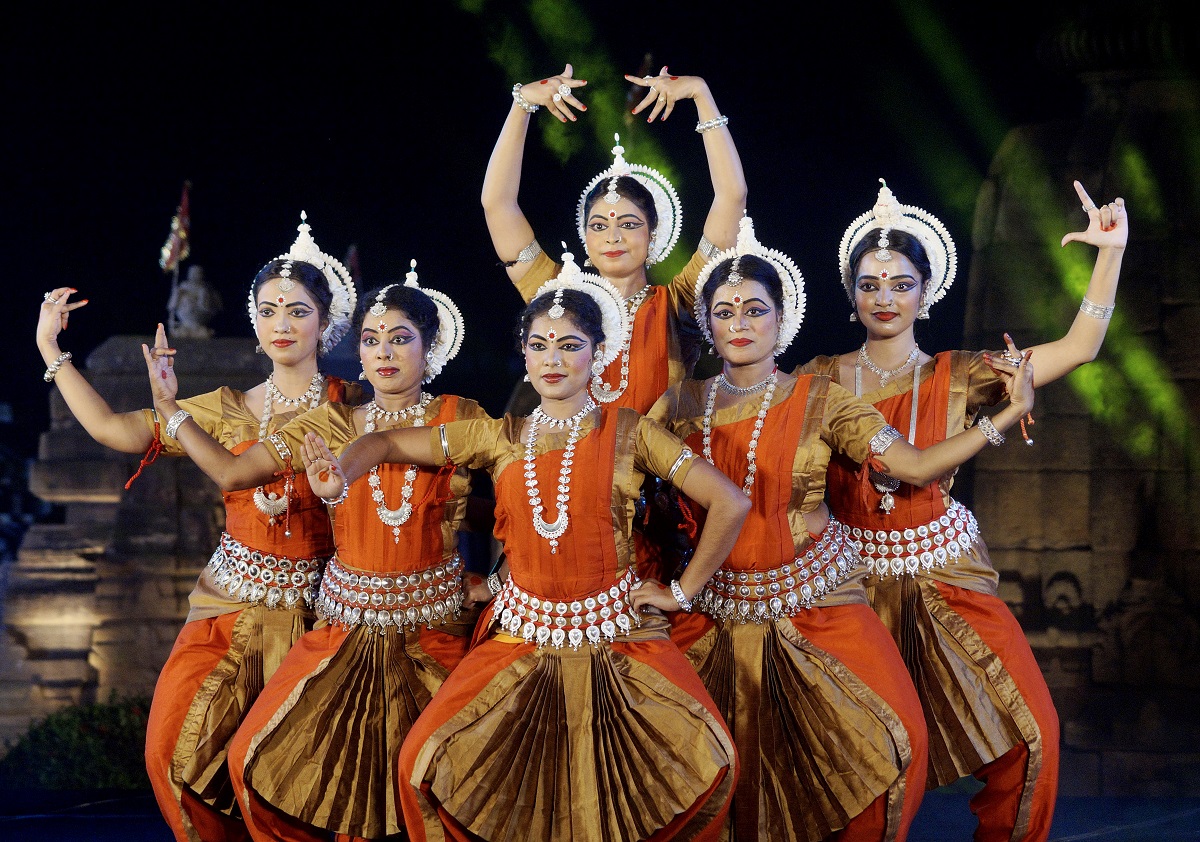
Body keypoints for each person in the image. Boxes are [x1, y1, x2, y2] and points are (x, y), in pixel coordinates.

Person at [306, 250, 751, 841]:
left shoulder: (630, 431)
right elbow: (387, 443)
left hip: (618, 634)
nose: (553, 359)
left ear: (599, 354)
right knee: (424, 765)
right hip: (520, 636)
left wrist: (681, 591)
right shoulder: (499, 436)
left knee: (708, 764)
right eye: (539, 346)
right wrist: (341, 471)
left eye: (570, 345)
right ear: (524, 356)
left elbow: (732, 501)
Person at [799, 179, 1127, 841]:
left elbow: (1080, 347)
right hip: (847, 590)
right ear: (850, 293)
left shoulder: (967, 372)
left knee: (1031, 737)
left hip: (944, 578)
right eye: (869, 284)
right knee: (870, 760)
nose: (884, 297)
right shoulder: (815, 380)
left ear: (927, 290)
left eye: (900, 283)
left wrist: (1111, 253)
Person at [35, 212, 359, 840]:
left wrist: (170, 411)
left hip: (315, 619)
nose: (282, 324)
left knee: (281, 781)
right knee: (170, 756)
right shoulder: (227, 408)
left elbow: (236, 477)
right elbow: (110, 431)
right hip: (224, 611)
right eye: (268, 311)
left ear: (325, 321)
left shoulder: (346, 409)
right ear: (255, 325)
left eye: (297, 310)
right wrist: (52, 351)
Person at [144, 263, 487, 839]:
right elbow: (233, 471)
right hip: (343, 635)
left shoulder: (463, 416)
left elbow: (525, 493)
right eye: (372, 340)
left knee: (429, 788)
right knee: (259, 768)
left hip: (434, 635)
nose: (383, 353)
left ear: (431, 350)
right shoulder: (330, 420)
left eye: (401, 339)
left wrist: (500, 579)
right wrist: (170, 409)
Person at [486, 64, 745, 413]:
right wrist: (522, 106)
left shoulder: (677, 305)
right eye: (598, 226)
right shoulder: (557, 298)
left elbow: (732, 196)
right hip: (568, 464)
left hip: (656, 464)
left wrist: (701, 93)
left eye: (628, 224)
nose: (612, 237)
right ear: (585, 237)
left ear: (653, 235)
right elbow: (497, 204)